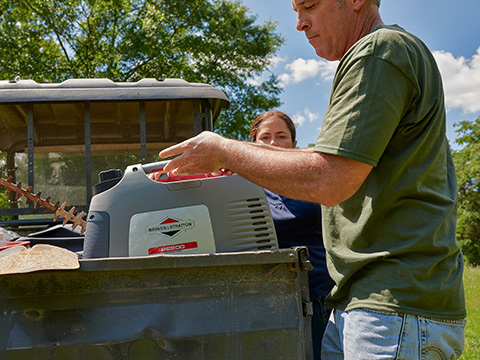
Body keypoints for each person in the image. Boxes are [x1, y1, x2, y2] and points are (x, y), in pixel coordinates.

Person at [158, 0, 467, 358]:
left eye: (309, 6)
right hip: (362, 300)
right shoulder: (381, 53)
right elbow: (329, 161)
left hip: (393, 304)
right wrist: (237, 158)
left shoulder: (377, 51)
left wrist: (225, 151)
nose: (299, 24)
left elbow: (328, 179)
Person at [250, 110, 335, 359]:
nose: (273, 143)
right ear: (252, 144)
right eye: (265, 137)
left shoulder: (313, 180)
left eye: (281, 136)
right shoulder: (239, 185)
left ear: (295, 144)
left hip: (319, 296)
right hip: (266, 299)